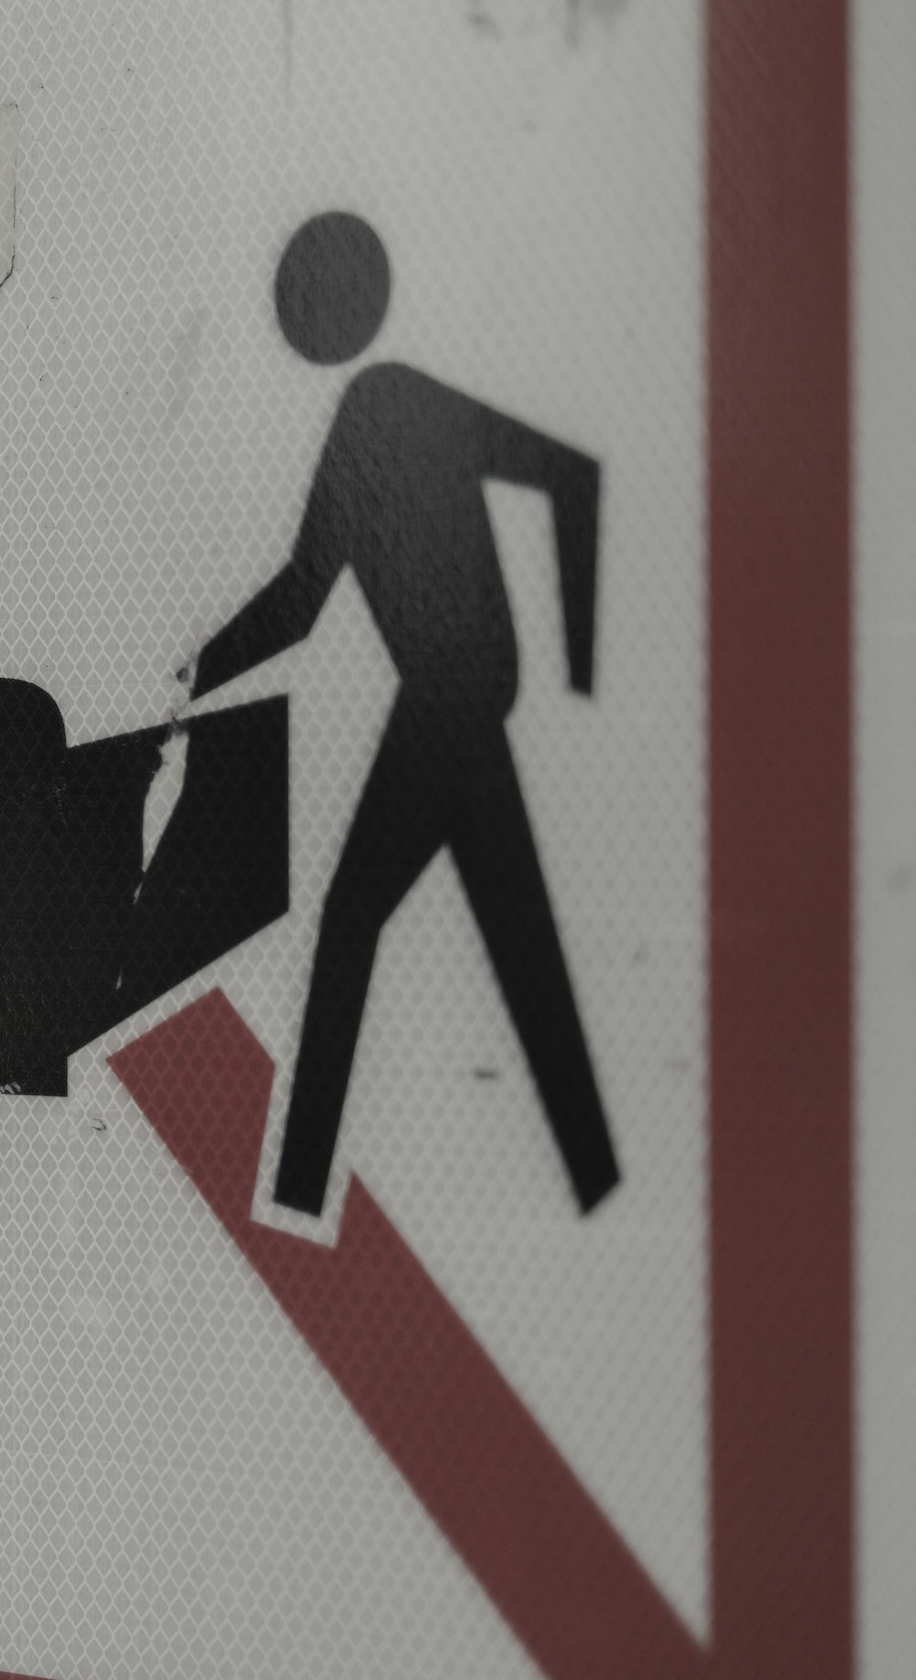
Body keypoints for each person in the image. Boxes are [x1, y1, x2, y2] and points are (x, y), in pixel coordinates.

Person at [194, 210, 620, 1217]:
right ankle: (594, 1170)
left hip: (449, 699)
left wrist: (585, 671)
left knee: (351, 923)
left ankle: (299, 1188)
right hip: (462, 699)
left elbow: (572, 474)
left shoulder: (389, 404)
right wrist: (198, 672)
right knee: (518, 941)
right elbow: (305, 599)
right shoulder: (373, 412)